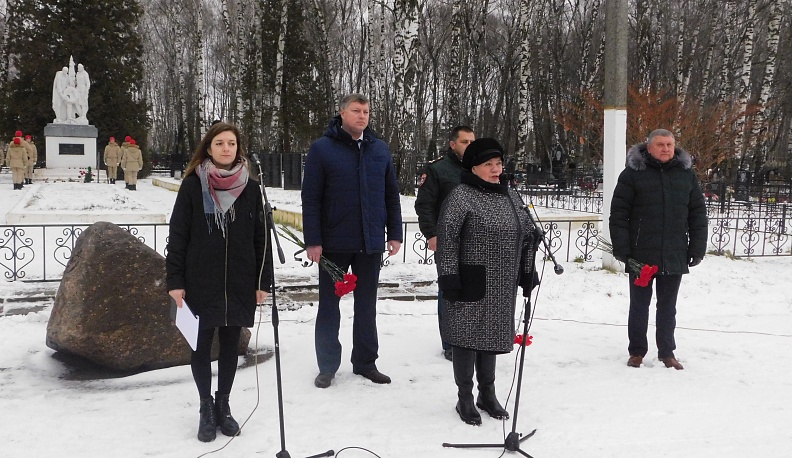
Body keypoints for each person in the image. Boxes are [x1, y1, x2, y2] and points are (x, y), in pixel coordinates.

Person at [166, 122, 272, 442]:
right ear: (208, 148)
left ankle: (223, 403)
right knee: (200, 345)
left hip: (239, 280)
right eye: (220, 143)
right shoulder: (192, 186)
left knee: (229, 346)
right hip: (201, 279)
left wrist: (261, 282)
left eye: (232, 143)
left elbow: (261, 239)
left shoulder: (251, 188)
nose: (227, 148)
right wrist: (175, 280)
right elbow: (178, 235)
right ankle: (205, 407)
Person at [301, 93, 403, 389]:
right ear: (342, 113)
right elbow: (311, 198)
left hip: (369, 242)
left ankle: (365, 362)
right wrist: (314, 241)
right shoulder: (322, 149)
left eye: (366, 112)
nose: (362, 116)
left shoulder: (379, 150)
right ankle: (328, 365)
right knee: (329, 306)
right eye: (356, 111)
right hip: (334, 243)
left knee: (367, 305)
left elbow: (390, 195)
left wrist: (394, 233)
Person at [436, 138, 539, 426]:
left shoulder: (510, 195)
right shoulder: (461, 196)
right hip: (469, 280)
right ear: (474, 168)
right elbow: (447, 240)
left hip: (502, 283)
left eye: (498, 164)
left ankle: (488, 395)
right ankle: (465, 398)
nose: (496, 170)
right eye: (488, 165)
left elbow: (528, 234)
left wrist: (528, 271)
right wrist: (449, 278)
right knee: (466, 339)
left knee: (491, 338)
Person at [609, 129, 707, 371]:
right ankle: (637, 351)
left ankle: (667, 352)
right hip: (641, 253)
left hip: (674, 251)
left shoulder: (686, 175)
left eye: (670, 145)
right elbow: (619, 215)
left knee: (667, 306)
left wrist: (697, 247)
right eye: (661, 144)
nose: (666, 149)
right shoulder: (632, 175)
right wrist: (622, 249)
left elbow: (697, 214)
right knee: (639, 305)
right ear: (649, 147)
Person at [415, 125, 475, 361]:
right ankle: (450, 343)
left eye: (472, 141)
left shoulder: (478, 168)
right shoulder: (438, 169)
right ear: (453, 144)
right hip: (447, 240)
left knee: (473, 288)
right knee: (449, 289)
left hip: (475, 239)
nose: (469, 146)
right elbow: (424, 205)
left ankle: (471, 336)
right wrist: (431, 234)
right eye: (464, 142)